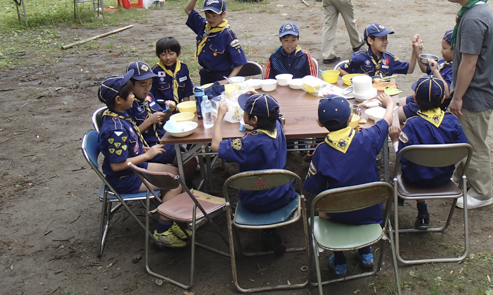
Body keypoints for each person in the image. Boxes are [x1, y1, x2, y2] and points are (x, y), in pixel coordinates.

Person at [303, 93, 394, 275]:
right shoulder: (368, 138)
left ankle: (339, 262)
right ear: (351, 118)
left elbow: (312, 188)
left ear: (319, 123)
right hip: (370, 210)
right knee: (353, 204)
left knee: (326, 208)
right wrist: (390, 103)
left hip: (339, 215)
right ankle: (366, 254)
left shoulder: (321, 152)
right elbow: (386, 121)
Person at [97, 70, 188, 248]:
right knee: (175, 182)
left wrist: (142, 149)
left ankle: (171, 217)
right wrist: (146, 155)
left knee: (177, 173)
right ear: (118, 100)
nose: (133, 96)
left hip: (134, 168)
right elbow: (117, 166)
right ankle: (163, 231)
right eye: (131, 93)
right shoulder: (115, 130)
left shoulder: (120, 116)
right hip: (125, 178)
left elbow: (128, 146)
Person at [445, 0, 493, 209]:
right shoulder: (474, 9)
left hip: (475, 94)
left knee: (474, 144)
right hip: (477, 90)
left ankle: (482, 193)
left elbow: (469, 64)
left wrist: (457, 97)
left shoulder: (474, 19)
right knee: (466, 138)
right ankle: (461, 178)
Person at [212, 93, 295, 253]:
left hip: (254, 202)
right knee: (270, 183)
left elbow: (216, 145)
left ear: (255, 119)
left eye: (245, 110)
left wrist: (220, 116)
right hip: (283, 195)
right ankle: (269, 231)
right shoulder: (277, 125)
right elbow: (278, 117)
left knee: (260, 189)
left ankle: (267, 231)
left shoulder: (250, 142)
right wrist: (260, 97)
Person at [389, 76, 469, 230]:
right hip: (444, 177)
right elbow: (464, 148)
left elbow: (401, 155)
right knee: (422, 166)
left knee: (415, 167)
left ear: (415, 100)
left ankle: (421, 207)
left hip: (414, 180)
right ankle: (422, 211)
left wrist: (394, 139)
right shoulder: (452, 121)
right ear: (442, 100)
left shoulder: (412, 124)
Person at [126, 61, 198, 182]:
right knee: (189, 162)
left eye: (149, 84)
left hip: (165, 139)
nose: (147, 88)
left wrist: (169, 111)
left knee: (190, 155)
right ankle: (182, 190)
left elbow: (161, 121)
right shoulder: (128, 105)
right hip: (150, 147)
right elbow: (130, 135)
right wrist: (148, 122)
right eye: (142, 85)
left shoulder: (148, 97)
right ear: (130, 85)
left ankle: (181, 181)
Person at [184, 0, 247, 85]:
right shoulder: (204, 27)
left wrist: (228, 81)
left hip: (222, 76)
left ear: (223, 14)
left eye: (214, 16)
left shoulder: (227, 34)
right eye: (207, 15)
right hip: (206, 75)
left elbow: (240, 62)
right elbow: (188, 10)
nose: (210, 19)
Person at [397, 30, 453, 124]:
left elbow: (447, 93)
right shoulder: (444, 62)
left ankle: (402, 135)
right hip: (421, 98)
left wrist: (435, 71)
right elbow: (425, 69)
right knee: (393, 103)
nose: (441, 51)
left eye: (444, 48)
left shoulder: (454, 69)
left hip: (428, 106)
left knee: (392, 114)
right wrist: (417, 49)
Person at [338, 23, 415, 77]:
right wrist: (355, 80)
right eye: (382, 39)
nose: (385, 42)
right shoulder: (359, 57)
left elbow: (409, 69)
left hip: (383, 97)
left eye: (386, 38)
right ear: (370, 41)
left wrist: (415, 49)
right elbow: (339, 70)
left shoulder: (390, 58)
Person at [150, 37, 194, 104]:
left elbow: (186, 92)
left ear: (178, 53)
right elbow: (151, 94)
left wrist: (186, 106)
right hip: (162, 107)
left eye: (171, 54)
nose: (168, 58)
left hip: (179, 105)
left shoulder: (183, 67)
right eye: (163, 54)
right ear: (157, 55)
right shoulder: (155, 71)